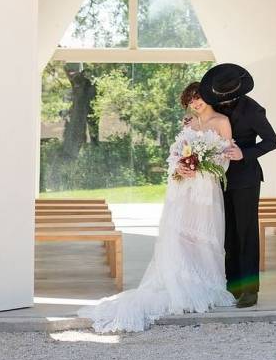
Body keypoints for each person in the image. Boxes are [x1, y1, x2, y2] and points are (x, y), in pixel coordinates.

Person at [89, 82, 237, 333]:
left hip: (205, 190)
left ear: (208, 97)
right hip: (182, 191)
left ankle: (204, 284)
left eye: (198, 98)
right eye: (190, 100)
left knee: (204, 236)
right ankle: (178, 282)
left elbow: (226, 157)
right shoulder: (188, 124)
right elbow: (175, 153)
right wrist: (179, 166)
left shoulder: (222, 121)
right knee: (178, 235)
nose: (195, 103)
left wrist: (203, 167)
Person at [197, 63, 276, 308]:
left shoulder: (253, 110)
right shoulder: (215, 105)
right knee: (228, 233)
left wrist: (246, 153)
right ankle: (232, 285)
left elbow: (272, 141)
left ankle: (250, 290)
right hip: (219, 178)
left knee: (246, 233)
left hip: (245, 179)